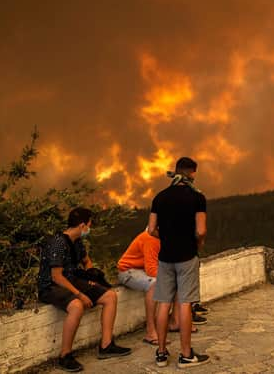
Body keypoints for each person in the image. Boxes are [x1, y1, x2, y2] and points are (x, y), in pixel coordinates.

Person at [38, 207, 131, 372]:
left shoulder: (77, 242)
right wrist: (80, 294)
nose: (90, 228)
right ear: (82, 225)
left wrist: (91, 278)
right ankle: (65, 355)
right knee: (76, 306)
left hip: (73, 279)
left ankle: (106, 345)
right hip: (51, 286)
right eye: (89, 225)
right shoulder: (58, 243)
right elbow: (56, 276)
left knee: (110, 296)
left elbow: (86, 261)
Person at [149, 157, 210, 368]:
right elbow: (201, 230)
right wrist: (197, 242)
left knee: (163, 303)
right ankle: (186, 355)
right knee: (185, 303)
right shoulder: (197, 197)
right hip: (187, 257)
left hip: (165, 258)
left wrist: (166, 238)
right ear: (192, 173)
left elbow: (150, 230)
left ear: (176, 171)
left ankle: (161, 353)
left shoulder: (160, 197)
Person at [117, 228, 204, 346]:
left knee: (180, 279)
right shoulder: (151, 238)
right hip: (129, 271)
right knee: (154, 285)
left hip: (143, 269)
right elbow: (151, 269)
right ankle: (150, 331)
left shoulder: (167, 238)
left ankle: (175, 321)